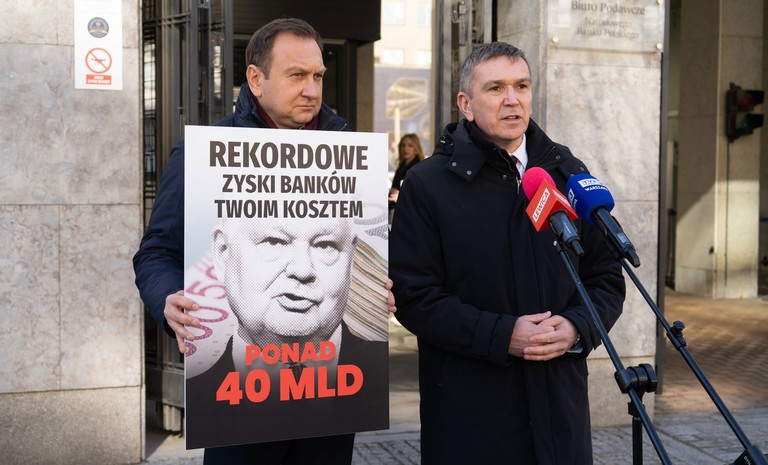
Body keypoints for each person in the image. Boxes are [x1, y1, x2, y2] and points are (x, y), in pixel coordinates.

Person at [133, 17, 394, 465]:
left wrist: (380, 285)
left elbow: (371, 250)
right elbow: (156, 253)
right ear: (256, 79)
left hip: (334, 403)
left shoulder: (348, 153)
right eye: (297, 75)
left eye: (318, 76)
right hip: (234, 408)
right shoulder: (207, 153)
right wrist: (168, 298)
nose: (311, 89)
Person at [388, 42, 626, 465]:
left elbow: (605, 277)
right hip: (471, 418)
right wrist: (503, 336)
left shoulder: (568, 173)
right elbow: (414, 297)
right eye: (496, 88)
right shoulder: (427, 185)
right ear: (466, 104)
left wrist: (577, 328)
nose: (512, 99)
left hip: (560, 410)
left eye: (522, 86)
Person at [184, 215, 388, 450]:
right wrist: (169, 300)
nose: (302, 270)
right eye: (274, 241)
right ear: (222, 253)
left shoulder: (376, 376)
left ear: (351, 259)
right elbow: (159, 253)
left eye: (325, 245)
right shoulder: (200, 395)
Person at [388, 133, 425, 209]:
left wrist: (400, 196)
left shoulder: (419, 168)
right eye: (403, 145)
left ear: (416, 149)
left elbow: (420, 193)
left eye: (410, 145)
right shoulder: (401, 166)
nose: (406, 148)